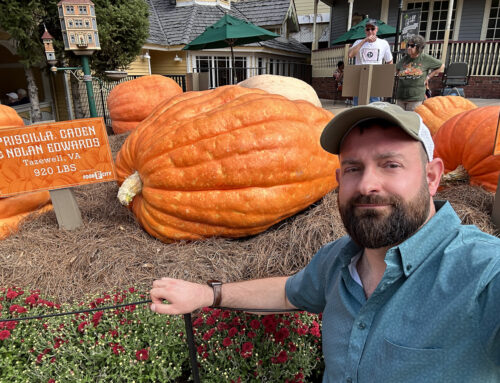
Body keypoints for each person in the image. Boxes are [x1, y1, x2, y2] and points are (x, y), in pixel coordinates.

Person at [150, 103, 500, 382]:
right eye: (352, 169)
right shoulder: (338, 260)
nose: (367, 185)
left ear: (432, 176)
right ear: (338, 179)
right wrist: (208, 294)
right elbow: (289, 291)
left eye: (390, 164)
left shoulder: (482, 273)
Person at [348, 19, 393, 105]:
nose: (370, 31)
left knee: (374, 107)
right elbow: (350, 55)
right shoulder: (358, 42)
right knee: (358, 107)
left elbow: (389, 62)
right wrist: (364, 41)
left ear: (377, 29)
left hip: (375, 80)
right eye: (368, 29)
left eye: (372, 29)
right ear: (365, 31)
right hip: (359, 80)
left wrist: (386, 82)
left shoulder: (383, 43)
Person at [396, 35, 444, 111]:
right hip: (401, 96)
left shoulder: (425, 58)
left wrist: (428, 77)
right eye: (408, 45)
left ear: (419, 47)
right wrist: (401, 75)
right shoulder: (405, 58)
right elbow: (397, 68)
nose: (409, 48)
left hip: (415, 98)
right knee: (399, 120)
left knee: (412, 120)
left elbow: (441, 66)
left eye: (412, 46)